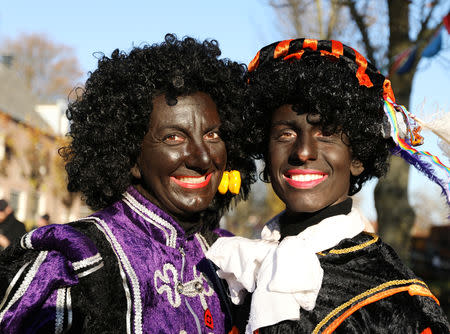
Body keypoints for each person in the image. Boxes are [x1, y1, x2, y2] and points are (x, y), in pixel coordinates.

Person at [0, 34, 255, 333]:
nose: (201, 157)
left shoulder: (229, 258)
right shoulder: (72, 261)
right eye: (174, 137)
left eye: (212, 135)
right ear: (130, 156)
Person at [207, 38, 450, 333]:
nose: (303, 151)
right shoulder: (237, 269)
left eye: (326, 133)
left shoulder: (398, 300)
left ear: (357, 157)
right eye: (285, 134)